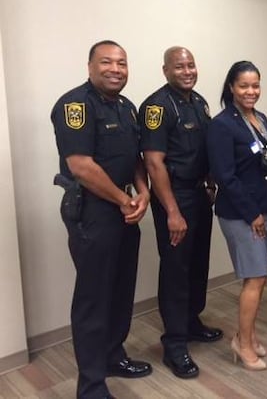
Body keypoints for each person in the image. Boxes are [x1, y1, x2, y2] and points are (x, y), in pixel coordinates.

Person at [50, 40, 152, 399]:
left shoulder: (126, 107)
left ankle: (113, 356)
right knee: (94, 298)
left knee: (121, 291)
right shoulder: (75, 105)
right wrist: (125, 199)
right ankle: (91, 385)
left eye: (122, 63)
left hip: (125, 210)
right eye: (107, 62)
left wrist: (144, 193)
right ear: (90, 66)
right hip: (93, 212)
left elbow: (137, 159)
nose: (116, 69)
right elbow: (81, 166)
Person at [139, 47, 223, 379]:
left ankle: (191, 322)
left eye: (191, 65)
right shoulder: (156, 107)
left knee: (197, 264)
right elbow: (153, 162)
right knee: (176, 271)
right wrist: (172, 211)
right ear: (165, 70)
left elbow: (206, 150)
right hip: (174, 196)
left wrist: (212, 182)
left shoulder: (199, 102)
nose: (187, 71)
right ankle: (174, 345)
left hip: (200, 193)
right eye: (179, 66)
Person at [206, 61, 267, 371]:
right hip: (240, 213)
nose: (251, 91)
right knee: (256, 277)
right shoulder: (222, 125)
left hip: (265, 208)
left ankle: (246, 334)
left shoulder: (260, 118)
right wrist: (253, 214)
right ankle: (243, 344)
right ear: (231, 88)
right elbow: (225, 176)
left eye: (255, 85)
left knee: (258, 278)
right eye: (244, 86)